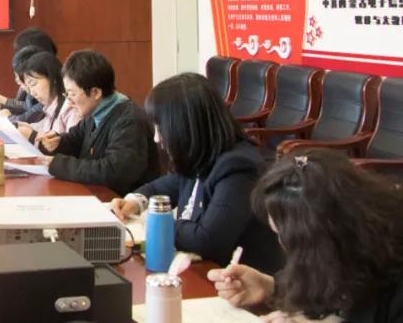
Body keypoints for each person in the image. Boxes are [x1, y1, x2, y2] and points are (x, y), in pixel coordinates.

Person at [109, 73, 282, 273]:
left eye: (161, 128)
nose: (157, 138)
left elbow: (207, 241)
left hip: (235, 282)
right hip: (203, 269)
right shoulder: (202, 153)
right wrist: (136, 201)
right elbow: (165, 186)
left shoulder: (238, 168)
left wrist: (158, 223)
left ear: (185, 127)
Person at [209, 149, 403, 323]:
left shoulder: (392, 276)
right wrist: (271, 287)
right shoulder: (344, 247)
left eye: (290, 241)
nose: (283, 245)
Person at [35, 50, 159, 195]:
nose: (69, 101)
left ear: (95, 93)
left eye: (72, 93)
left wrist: (59, 165)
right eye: (66, 94)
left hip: (121, 202)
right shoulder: (94, 112)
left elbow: (113, 171)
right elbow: (74, 141)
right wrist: (56, 143)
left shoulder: (130, 120)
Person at [0, 27, 59, 116]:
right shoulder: (31, 76)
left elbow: (33, 112)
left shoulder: (46, 78)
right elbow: (25, 108)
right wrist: (0, 107)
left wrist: (3, 102)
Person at [15, 50, 81, 145]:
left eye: (33, 84)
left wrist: (33, 136)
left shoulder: (70, 109)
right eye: (28, 87)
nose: (32, 93)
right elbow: (44, 129)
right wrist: (27, 128)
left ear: (52, 79)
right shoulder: (51, 107)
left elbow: (70, 147)